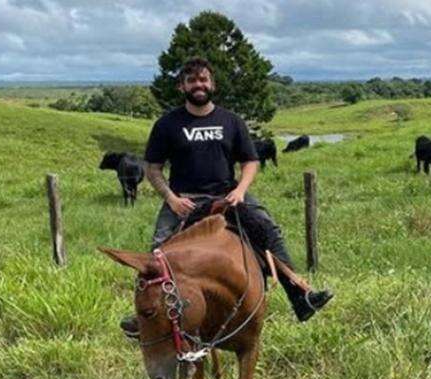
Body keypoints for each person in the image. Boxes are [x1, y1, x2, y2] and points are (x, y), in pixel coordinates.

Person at [120, 57, 332, 338]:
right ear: (182, 86)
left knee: (268, 229)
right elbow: (153, 168)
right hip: (185, 200)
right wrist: (171, 199)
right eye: (192, 80)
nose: (199, 85)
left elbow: (250, 161)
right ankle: (145, 316)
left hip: (227, 196)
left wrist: (241, 190)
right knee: (157, 252)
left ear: (212, 84)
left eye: (204, 79)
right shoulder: (167, 124)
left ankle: (300, 296)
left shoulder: (231, 121)